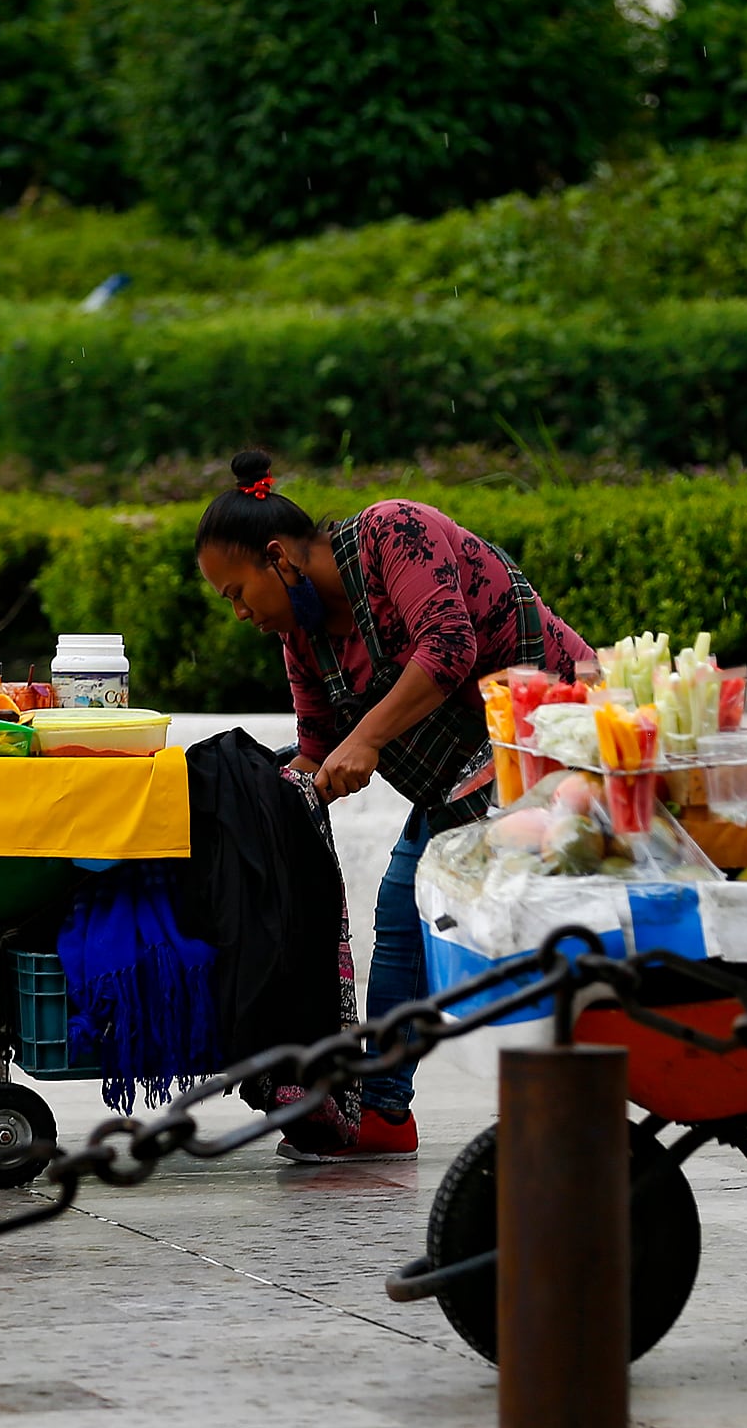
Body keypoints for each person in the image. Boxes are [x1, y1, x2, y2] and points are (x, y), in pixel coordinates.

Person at [194, 452, 594, 1163]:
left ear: (278, 557)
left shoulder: (392, 533)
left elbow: (447, 645)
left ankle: (557, 1107)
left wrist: (368, 739)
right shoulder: (303, 639)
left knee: (527, 928)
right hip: (457, 785)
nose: (240, 613)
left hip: (548, 743)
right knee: (402, 909)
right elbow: (320, 749)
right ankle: (381, 1111)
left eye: (236, 591)